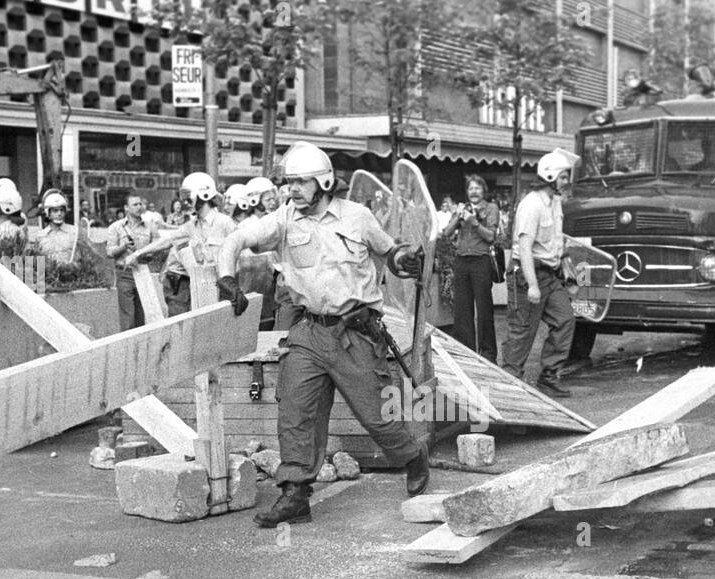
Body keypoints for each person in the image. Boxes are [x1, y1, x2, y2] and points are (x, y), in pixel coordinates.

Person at [216, 141, 428, 528]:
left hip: (355, 334)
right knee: (296, 413)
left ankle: (412, 456)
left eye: (300, 182)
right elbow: (236, 239)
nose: (292, 190)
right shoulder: (284, 219)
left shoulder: (357, 217)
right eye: (289, 183)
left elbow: (390, 254)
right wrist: (227, 278)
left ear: (324, 181)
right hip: (308, 332)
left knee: (378, 416)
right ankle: (295, 494)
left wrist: (405, 260)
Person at [501, 148, 580, 397]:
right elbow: (524, 248)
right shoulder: (531, 205)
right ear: (550, 177)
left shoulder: (555, 203)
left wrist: (568, 272)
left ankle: (549, 377)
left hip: (550, 274)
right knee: (522, 331)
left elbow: (556, 242)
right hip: (527, 275)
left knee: (565, 319)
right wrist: (532, 285)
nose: (567, 182)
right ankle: (509, 384)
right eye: (564, 177)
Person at [125, 172, 236, 317]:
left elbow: (239, 250)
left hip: (219, 286)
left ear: (204, 195)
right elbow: (168, 240)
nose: (185, 202)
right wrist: (138, 253)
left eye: (188, 197)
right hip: (191, 284)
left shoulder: (225, 223)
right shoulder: (192, 225)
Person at [440, 174, 500, 359]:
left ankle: (488, 354)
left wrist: (473, 222)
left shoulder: (491, 208)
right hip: (462, 261)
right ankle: (467, 352)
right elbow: (447, 234)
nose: (473, 191)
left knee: (484, 310)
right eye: (470, 188)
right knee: (462, 310)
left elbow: (490, 236)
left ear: (483, 190)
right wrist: (458, 218)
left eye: (477, 188)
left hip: (480, 261)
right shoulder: (462, 209)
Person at [105, 195, 162, 330]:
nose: (139, 207)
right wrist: (123, 246)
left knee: (142, 314)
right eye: (135, 204)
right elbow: (109, 252)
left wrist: (147, 254)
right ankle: (127, 348)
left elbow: (159, 246)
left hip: (143, 272)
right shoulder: (116, 227)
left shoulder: (150, 226)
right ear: (126, 208)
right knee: (127, 316)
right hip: (125, 274)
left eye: (140, 204)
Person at [32, 189, 78, 263]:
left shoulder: (74, 233)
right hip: (48, 273)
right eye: (55, 211)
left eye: (62, 210)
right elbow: (36, 261)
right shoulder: (40, 236)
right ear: (48, 213)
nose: (59, 214)